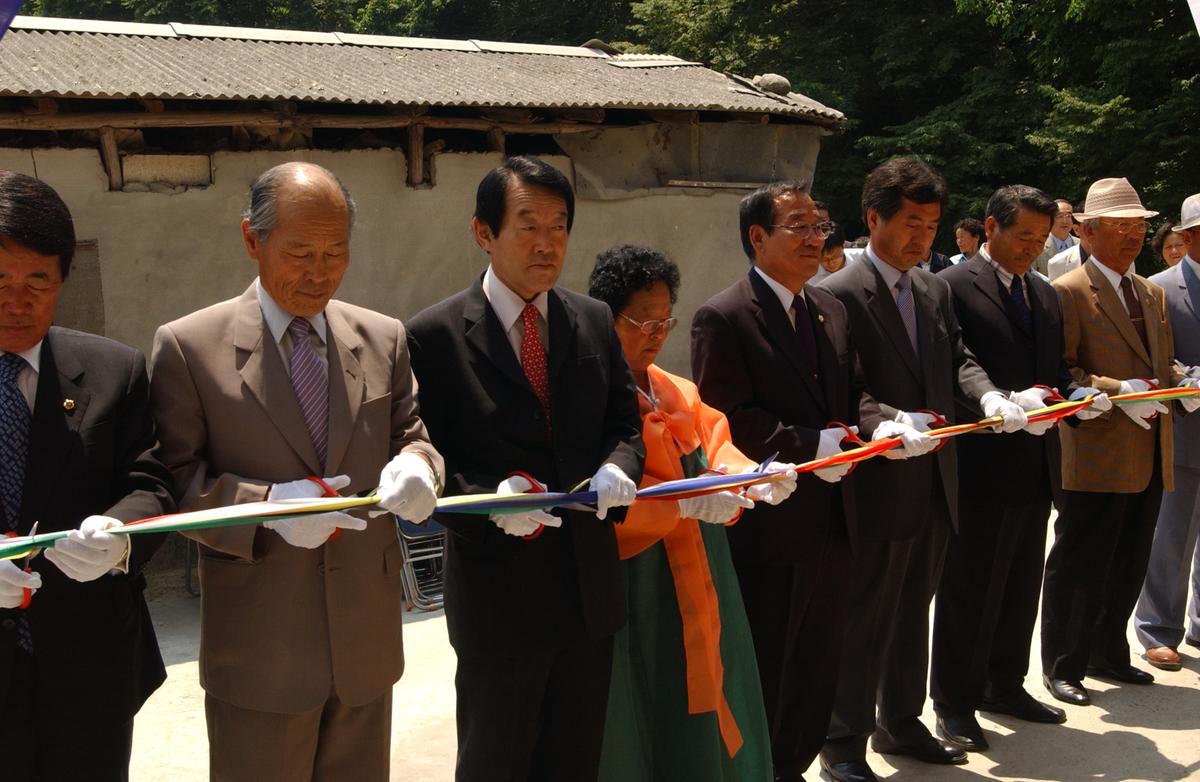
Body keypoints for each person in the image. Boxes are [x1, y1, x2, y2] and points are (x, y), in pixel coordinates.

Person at [150, 162, 444, 782]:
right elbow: (175, 482)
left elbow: (411, 436)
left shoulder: (382, 337)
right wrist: (267, 507)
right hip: (260, 647)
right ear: (252, 240)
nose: (320, 272)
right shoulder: (189, 347)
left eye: (336, 252)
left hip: (365, 642)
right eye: (301, 253)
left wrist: (418, 467)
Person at [405, 156, 645, 782]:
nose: (547, 244)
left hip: (587, 589)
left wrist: (619, 466)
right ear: (484, 233)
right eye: (529, 226)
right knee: (496, 761)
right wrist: (491, 503)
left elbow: (625, 425)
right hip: (499, 599)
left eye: (559, 226)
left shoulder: (592, 319)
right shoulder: (433, 335)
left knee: (575, 760)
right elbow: (429, 458)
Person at [816, 157, 1036, 782]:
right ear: (873, 218)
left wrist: (990, 398)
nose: (922, 237)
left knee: (915, 609)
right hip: (877, 478)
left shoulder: (934, 289)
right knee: (864, 614)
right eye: (910, 223)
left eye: (932, 225)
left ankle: (901, 721)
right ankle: (842, 739)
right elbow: (845, 386)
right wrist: (887, 420)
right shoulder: (836, 293)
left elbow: (958, 358)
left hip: (936, 476)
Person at [693, 181, 880, 782]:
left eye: (819, 226)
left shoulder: (830, 308)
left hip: (835, 517)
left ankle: (794, 766)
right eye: (798, 226)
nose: (814, 238)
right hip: (771, 528)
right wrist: (808, 445)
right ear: (757, 237)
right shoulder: (724, 317)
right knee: (768, 662)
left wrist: (883, 423)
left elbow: (855, 392)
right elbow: (726, 418)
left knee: (819, 664)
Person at [590, 244, 791, 781]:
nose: (657, 334)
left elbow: (716, 442)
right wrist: (679, 503)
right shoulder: (591, 395)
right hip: (641, 580)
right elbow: (598, 500)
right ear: (606, 320)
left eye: (665, 321)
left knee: (717, 676)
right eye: (643, 321)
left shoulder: (676, 389)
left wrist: (753, 476)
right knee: (647, 695)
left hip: (705, 569)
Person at [0, 171, 175, 781]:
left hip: (89, 667)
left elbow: (151, 484)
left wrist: (119, 536)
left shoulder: (112, 370)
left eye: (37, 281)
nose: (16, 300)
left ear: (62, 279)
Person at [931, 185, 1108, 751]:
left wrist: (1077, 397)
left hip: (1035, 460)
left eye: (1041, 238)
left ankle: (1004, 683)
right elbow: (955, 365)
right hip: (979, 461)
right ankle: (954, 702)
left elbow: (1052, 371)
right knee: (969, 587)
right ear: (991, 227)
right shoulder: (951, 286)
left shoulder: (1043, 293)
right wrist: (999, 400)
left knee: (1020, 580)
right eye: (1022, 236)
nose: (1032, 248)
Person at [1041, 178, 1199, 707]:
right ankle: (1063, 664)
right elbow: (1062, 371)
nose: (1133, 236)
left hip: (1151, 448)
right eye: (1119, 227)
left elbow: (1160, 362)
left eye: (1138, 227)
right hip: (1097, 449)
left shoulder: (1150, 292)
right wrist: (1116, 390)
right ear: (1087, 232)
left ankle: (1109, 651)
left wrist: (1182, 383)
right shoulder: (1068, 290)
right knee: (1080, 560)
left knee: (1130, 558)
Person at [1135, 193, 1200, 671]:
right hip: (1185, 429)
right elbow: (1156, 359)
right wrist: (1188, 379)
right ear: (1189, 236)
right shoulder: (1159, 289)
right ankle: (1159, 628)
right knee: (1172, 537)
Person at [1034, 199, 1078, 276]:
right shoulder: (1038, 245)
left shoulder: (1083, 244)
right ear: (1050, 219)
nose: (1065, 221)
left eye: (1068, 216)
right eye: (1060, 216)